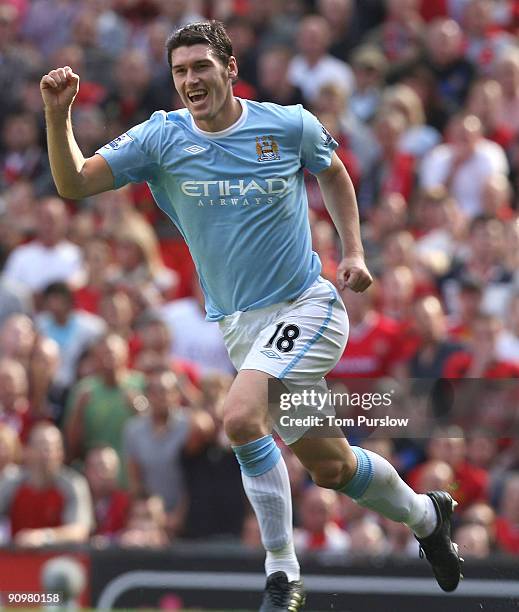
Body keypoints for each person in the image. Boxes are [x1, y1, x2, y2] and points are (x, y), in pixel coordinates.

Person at [41, 21, 462, 610]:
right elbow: (72, 183)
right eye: (180, 71)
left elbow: (334, 173)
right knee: (333, 468)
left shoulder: (286, 124)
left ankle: (282, 574)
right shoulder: (161, 138)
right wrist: (59, 115)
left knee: (239, 416)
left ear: (230, 68)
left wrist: (356, 252)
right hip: (244, 330)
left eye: (201, 67)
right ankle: (426, 516)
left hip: (308, 307)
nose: (191, 80)